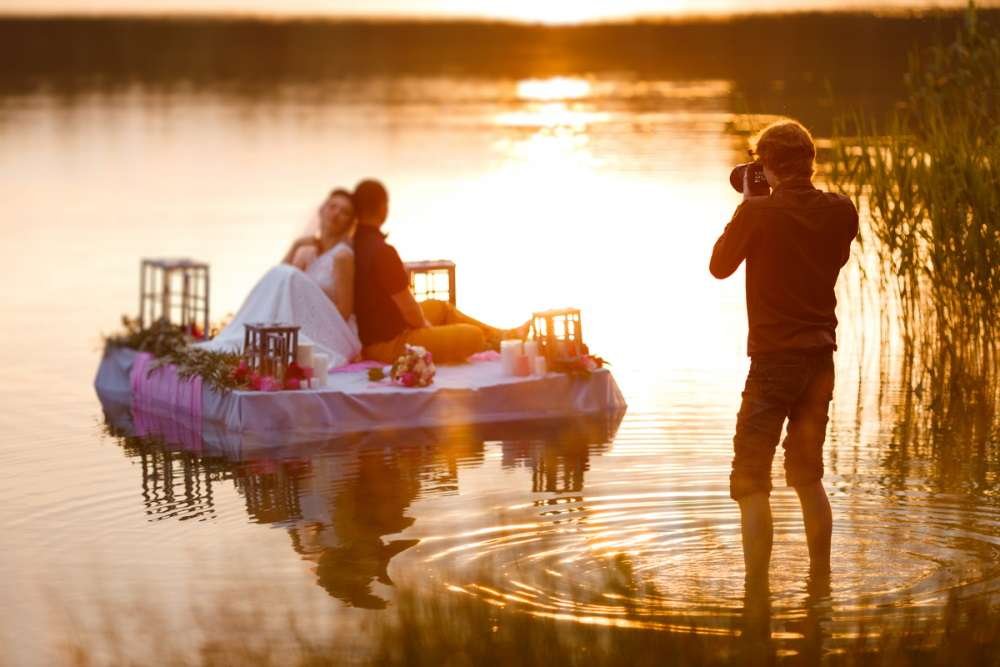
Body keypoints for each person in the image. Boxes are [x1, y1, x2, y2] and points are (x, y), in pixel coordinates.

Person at [709, 120, 858, 584]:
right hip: (820, 360)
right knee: (807, 475)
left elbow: (719, 267)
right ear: (811, 160)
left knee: (751, 481)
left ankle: (756, 594)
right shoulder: (841, 209)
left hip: (774, 362)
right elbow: (833, 257)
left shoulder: (758, 214)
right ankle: (820, 582)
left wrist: (750, 207)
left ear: (767, 164)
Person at [351, 179, 525, 364]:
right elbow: (410, 311)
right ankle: (499, 342)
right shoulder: (382, 252)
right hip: (389, 344)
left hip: (383, 330)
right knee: (473, 336)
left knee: (440, 307)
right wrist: (425, 328)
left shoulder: (354, 245)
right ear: (383, 208)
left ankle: (503, 335)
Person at [199, 188, 362, 367]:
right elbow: (278, 284)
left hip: (332, 331)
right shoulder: (310, 251)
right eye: (333, 206)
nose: (336, 213)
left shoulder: (342, 256)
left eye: (344, 212)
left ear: (349, 223)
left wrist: (312, 321)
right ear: (321, 209)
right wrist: (296, 245)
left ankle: (250, 333)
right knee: (283, 274)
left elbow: (344, 311)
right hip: (304, 324)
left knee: (289, 274)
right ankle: (242, 333)